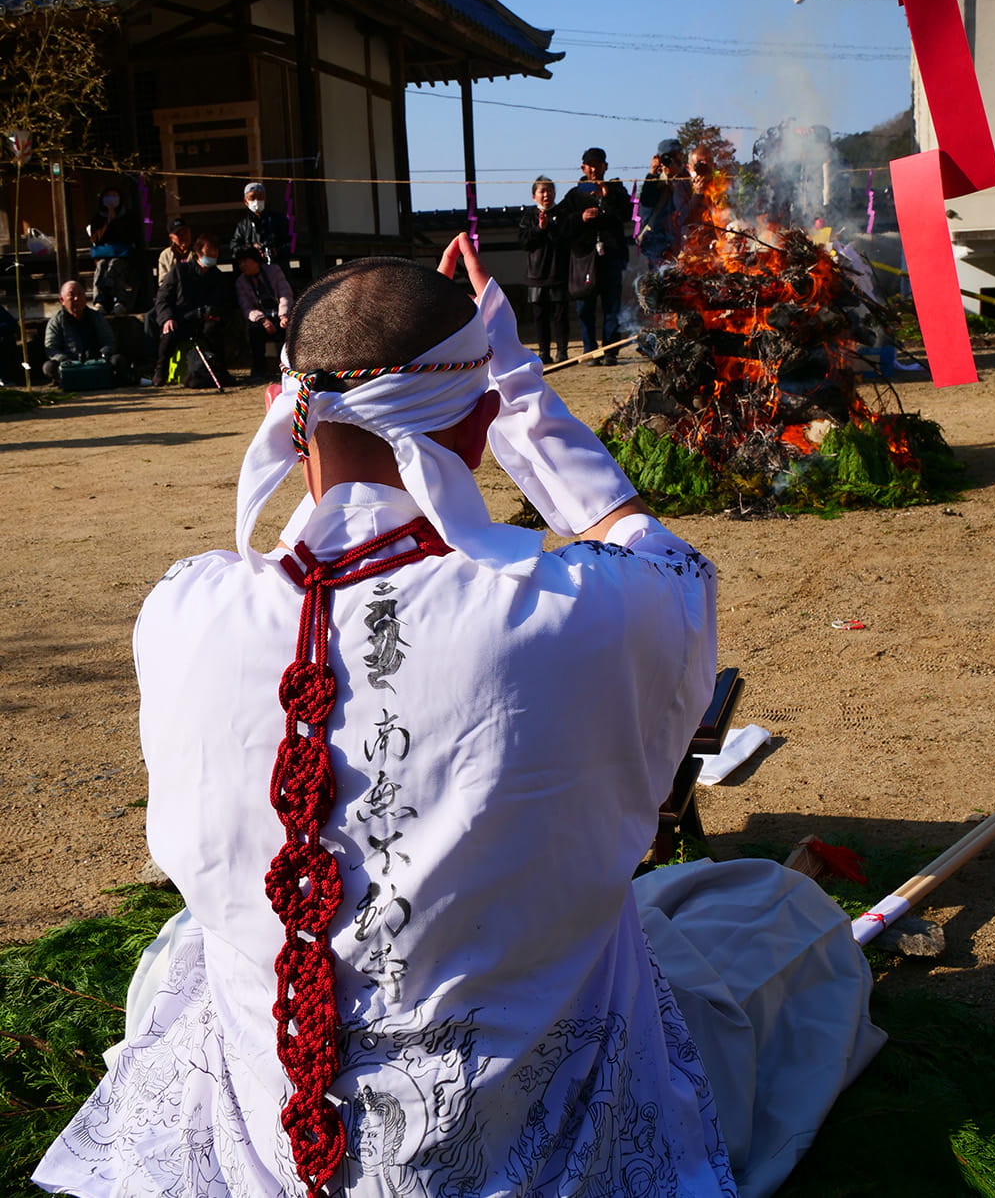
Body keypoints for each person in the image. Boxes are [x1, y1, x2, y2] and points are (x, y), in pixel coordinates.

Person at [34, 236, 883, 1198]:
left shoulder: (183, 613)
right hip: (521, 1127)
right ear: (479, 435)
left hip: (276, 1128)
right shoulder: (574, 611)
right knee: (773, 914)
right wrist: (519, 389)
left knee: (193, 951)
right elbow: (671, 569)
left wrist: (462, 396)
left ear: (291, 424)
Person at [561, 147, 632, 363]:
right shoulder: (574, 195)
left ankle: (611, 350)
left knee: (612, 306)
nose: (594, 169)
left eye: (598, 164)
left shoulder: (616, 190)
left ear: (605, 166)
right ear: (583, 168)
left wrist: (608, 198)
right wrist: (580, 218)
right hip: (584, 259)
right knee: (585, 308)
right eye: (589, 165)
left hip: (611, 257)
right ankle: (590, 350)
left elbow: (627, 215)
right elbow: (561, 226)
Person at [151, 233, 234, 386]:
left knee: (214, 330)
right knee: (169, 332)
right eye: (209, 251)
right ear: (198, 252)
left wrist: (216, 314)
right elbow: (163, 298)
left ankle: (221, 371)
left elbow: (225, 302)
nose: (213, 254)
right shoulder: (179, 271)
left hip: (205, 321)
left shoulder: (217, 276)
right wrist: (167, 318)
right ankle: (159, 372)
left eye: (215, 251)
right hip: (181, 318)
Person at [516, 175, 570, 364]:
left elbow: (566, 239)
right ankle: (543, 352)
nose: (546, 194)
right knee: (540, 317)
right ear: (534, 196)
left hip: (559, 273)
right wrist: (539, 228)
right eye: (542, 191)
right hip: (536, 274)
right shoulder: (528, 217)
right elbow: (524, 243)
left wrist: (551, 227)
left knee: (561, 316)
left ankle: (562, 351)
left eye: (550, 190)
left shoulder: (563, 214)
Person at [42, 280, 130, 385]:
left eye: (80, 294)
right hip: (69, 364)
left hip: (96, 362)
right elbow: (51, 348)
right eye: (72, 295)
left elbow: (109, 340)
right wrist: (63, 359)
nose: (77, 298)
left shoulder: (96, 317)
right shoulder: (56, 321)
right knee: (48, 367)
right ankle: (64, 381)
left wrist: (103, 353)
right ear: (62, 300)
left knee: (117, 360)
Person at [235, 245, 294, 381]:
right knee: (255, 331)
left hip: (280, 313)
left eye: (246, 261)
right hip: (261, 318)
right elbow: (246, 307)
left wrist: (284, 315)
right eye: (240, 263)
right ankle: (259, 370)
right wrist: (262, 320)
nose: (243, 265)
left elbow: (285, 293)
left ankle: (290, 367)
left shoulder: (274, 271)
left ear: (255, 261)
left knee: (289, 329)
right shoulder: (241, 282)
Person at [638, 138, 695, 267]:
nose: (673, 160)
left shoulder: (686, 177)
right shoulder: (655, 179)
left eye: (676, 155)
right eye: (668, 157)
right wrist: (653, 174)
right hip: (657, 242)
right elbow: (646, 205)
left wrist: (676, 177)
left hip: (680, 239)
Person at [88, 184, 142, 316]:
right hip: (103, 254)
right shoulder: (98, 217)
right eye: (108, 196)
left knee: (115, 266)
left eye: (114, 196)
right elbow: (95, 238)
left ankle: (120, 301)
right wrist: (107, 222)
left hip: (122, 254)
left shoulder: (127, 216)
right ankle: (99, 301)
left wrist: (116, 221)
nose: (111, 199)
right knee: (101, 267)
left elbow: (130, 236)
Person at [231, 181, 290, 268]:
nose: (257, 201)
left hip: (277, 268)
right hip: (252, 271)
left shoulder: (278, 220)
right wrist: (251, 249)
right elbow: (235, 248)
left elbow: (292, 243)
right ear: (245, 201)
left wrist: (276, 251)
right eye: (252, 197)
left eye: (260, 197)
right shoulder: (243, 225)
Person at [157, 218, 194, 284]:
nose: (184, 236)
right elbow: (162, 282)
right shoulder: (165, 255)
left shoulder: (199, 251)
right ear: (172, 238)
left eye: (185, 232)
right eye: (179, 234)